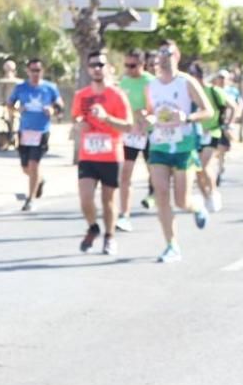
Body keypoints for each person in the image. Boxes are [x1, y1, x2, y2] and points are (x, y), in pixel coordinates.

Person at [144, 39, 212, 263]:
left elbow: (207, 111)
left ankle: (198, 206)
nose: (163, 57)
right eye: (160, 53)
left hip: (183, 145)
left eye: (168, 53)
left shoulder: (186, 82)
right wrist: (149, 118)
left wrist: (187, 117)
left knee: (182, 200)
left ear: (177, 56)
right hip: (159, 145)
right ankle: (171, 245)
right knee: (161, 194)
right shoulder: (151, 85)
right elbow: (150, 112)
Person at [71, 50, 132, 255]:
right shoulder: (82, 95)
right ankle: (93, 228)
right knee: (85, 198)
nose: (97, 68)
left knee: (108, 200)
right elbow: (77, 118)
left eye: (101, 65)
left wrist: (106, 118)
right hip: (88, 155)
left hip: (111, 154)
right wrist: (81, 124)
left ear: (107, 68)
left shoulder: (117, 95)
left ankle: (110, 237)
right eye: (93, 65)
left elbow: (128, 126)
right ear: (88, 69)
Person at [6, 58, 64, 212]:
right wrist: (17, 110)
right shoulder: (21, 88)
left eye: (38, 70)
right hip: (25, 130)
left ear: (42, 71)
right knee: (25, 167)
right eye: (32, 70)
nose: (35, 73)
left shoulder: (50, 88)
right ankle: (40, 180)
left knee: (34, 164)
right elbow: (10, 104)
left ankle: (30, 199)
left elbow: (60, 106)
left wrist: (52, 110)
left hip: (42, 131)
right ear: (27, 71)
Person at [116, 48, 154, 231]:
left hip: (149, 133)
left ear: (142, 64)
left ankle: (154, 193)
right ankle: (124, 215)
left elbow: (156, 108)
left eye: (132, 65)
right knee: (125, 174)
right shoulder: (123, 81)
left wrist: (146, 115)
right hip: (130, 133)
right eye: (126, 65)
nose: (129, 69)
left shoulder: (150, 82)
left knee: (154, 171)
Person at [189, 60, 229, 213]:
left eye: (194, 75)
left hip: (212, 131)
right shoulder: (188, 91)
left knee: (204, 165)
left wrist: (226, 123)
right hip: (196, 133)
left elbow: (231, 106)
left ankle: (213, 192)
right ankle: (205, 196)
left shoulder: (214, 91)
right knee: (197, 169)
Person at [211, 69, 240, 187]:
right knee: (215, 148)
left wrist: (232, 121)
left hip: (227, 124)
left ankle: (220, 166)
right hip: (215, 124)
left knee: (223, 148)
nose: (222, 80)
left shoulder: (233, 91)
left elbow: (238, 105)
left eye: (224, 78)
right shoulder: (213, 90)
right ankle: (217, 169)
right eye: (220, 77)